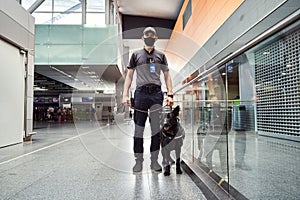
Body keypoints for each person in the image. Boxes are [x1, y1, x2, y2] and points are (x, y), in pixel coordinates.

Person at [122, 27, 174, 172]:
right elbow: (129, 76)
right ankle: (138, 161)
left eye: (152, 35)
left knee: (156, 130)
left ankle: (154, 161)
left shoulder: (161, 55)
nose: (149, 37)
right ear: (142, 38)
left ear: (156, 38)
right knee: (139, 129)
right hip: (140, 95)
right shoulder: (135, 55)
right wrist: (125, 94)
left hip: (156, 94)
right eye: (147, 35)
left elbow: (167, 75)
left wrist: (170, 94)